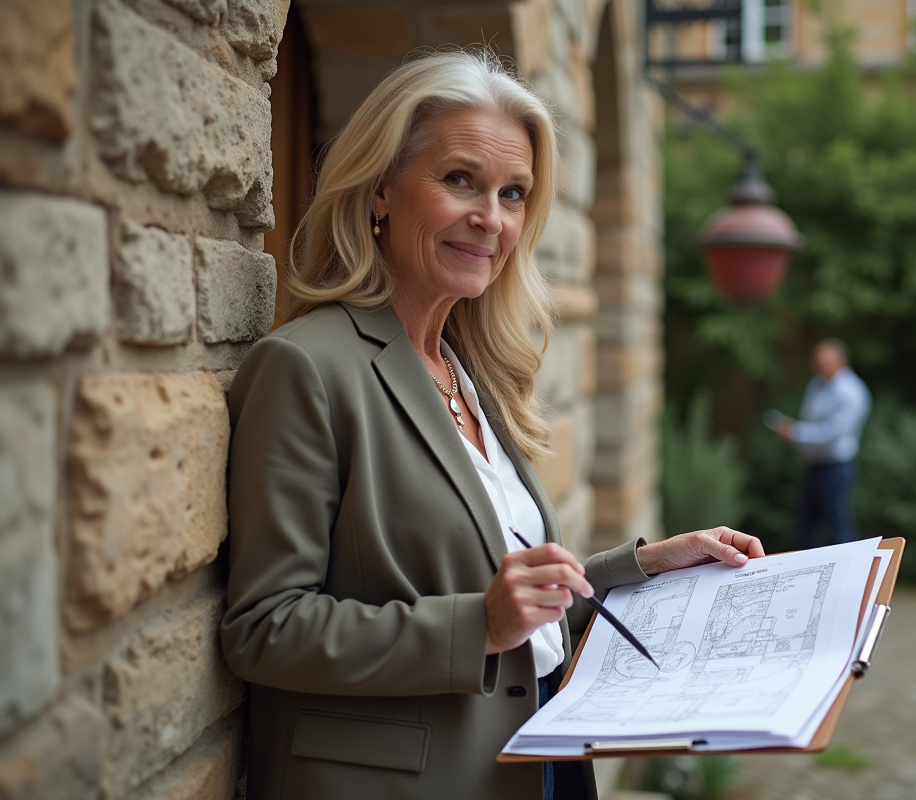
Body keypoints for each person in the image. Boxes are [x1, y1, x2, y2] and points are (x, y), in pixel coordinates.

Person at [219, 50, 764, 800]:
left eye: (514, 194)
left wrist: (639, 569)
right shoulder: (306, 368)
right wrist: (474, 626)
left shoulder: (468, 372)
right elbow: (264, 627)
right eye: (459, 180)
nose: (491, 218)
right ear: (380, 190)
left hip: (541, 751)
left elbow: (517, 608)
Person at [767, 339, 871, 549]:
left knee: (837, 526)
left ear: (840, 361)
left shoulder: (850, 392)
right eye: (816, 360)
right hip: (814, 466)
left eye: (823, 361)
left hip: (836, 468)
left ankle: (849, 576)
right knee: (804, 526)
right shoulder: (816, 384)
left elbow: (831, 433)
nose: (817, 365)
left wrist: (794, 432)